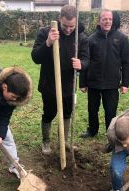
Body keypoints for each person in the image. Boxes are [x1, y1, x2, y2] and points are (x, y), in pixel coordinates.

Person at [31, 5, 89, 155]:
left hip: (69, 85)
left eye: (72, 26)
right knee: (49, 113)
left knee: (68, 113)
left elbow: (87, 58)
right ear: (59, 19)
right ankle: (46, 141)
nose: (68, 29)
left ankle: (64, 141)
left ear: (76, 22)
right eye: (65, 25)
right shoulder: (45, 33)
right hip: (49, 84)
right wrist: (48, 43)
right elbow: (35, 57)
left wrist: (81, 64)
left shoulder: (80, 37)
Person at [79, 9, 129, 138]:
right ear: (99, 21)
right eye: (104, 19)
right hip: (94, 82)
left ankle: (110, 132)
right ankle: (92, 130)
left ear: (112, 21)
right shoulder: (91, 39)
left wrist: (125, 83)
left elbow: (127, 62)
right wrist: (83, 83)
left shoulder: (122, 38)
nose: (107, 21)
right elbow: (85, 61)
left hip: (112, 83)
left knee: (110, 111)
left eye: (110, 19)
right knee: (92, 109)